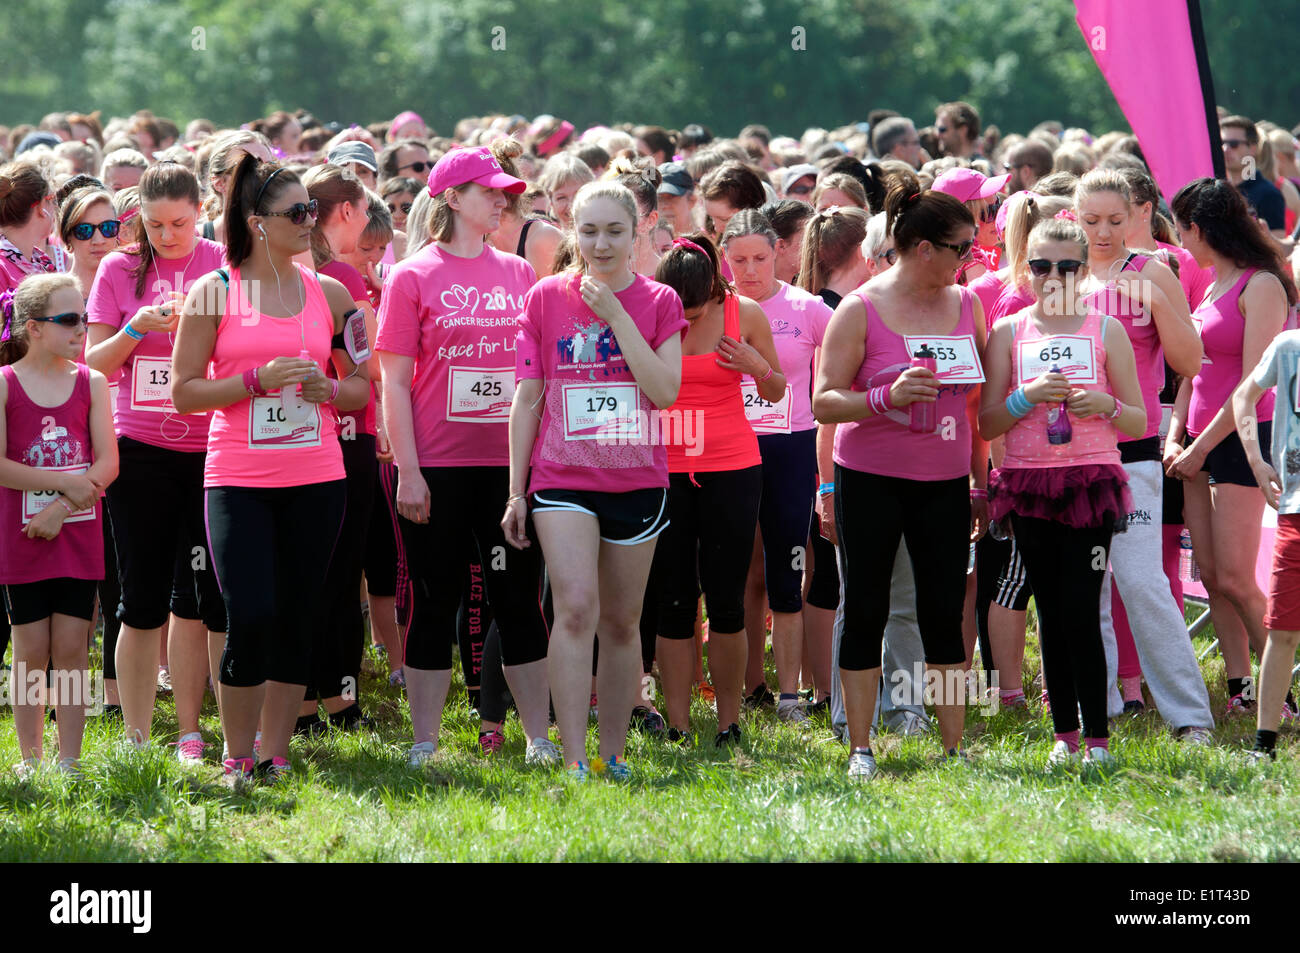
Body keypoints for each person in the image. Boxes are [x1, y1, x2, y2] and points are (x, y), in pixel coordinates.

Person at [171, 156, 368, 785]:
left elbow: (365, 385)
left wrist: (330, 393)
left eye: (311, 209)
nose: (310, 221)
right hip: (238, 480)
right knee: (249, 613)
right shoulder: (215, 290)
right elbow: (183, 392)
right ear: (257, 223)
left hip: (317, 477)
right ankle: (235, 752)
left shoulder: (331, 292)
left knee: (297, 612)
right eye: (297, 212)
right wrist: (251, 382)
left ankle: (276, 751)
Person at [376, 147, 554, 767]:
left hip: (506, 471)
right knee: (434, 600)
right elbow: (394, 381)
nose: (502, 199)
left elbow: (533, 379)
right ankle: (424, 740)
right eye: (489, 191)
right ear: (451, 198)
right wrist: (410, 471)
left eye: (506, 191)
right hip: (437, 469)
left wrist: (529, 472)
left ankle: (538, 739)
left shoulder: (518, 273)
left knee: (518, 600)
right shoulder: (412, 275)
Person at [504, 181, 685, 779]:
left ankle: (613, 754)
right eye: (589, 231)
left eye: (614, 231)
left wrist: (613, 314)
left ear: (638, 235)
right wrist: (515, 491)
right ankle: (575, 757)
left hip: (637, 480)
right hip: (561, 479)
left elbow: (664, 391)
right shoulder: (543, 299)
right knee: (576, 609)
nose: (601, 243)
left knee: (622, 622)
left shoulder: (660, 300)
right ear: (572, 233)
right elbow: (527, 396)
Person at [813, 184, 989, 779]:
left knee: (944, 616)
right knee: (865, 609)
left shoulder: (968, 305)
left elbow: (975, 406)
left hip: (943, 482)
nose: (969, 258)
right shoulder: (860, 308)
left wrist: (979, 482)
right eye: (959, 248)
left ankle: (953, 747)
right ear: (921, 248)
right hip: (870, 479)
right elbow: (823, 402)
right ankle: (861, 747)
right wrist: (885, 396)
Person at [980, 217, 1146, 766]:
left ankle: (1098, 738)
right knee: (1049, 609)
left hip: (1091, 480)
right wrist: (1026, 396)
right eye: (1043, 265)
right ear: (1027, 270)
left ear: (1084, 269)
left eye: (1069, 266)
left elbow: (1140, 419)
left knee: (1083, 605)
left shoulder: (1106, 330)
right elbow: (987, 423)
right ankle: (1064, 736)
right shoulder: (1008, 332)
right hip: (1027, 482)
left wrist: (1106, 407)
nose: (1056, 276)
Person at [85, 162, 228, 759]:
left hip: (211, 449)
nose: (168, 235)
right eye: (155, 224)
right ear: (136, 218)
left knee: (202, 598)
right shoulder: (119, 268)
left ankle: (200, 729)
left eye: (180, 223)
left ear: (200, 213)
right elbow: (90, 365)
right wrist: (137, 329)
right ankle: (138, 736)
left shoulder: (221, 264)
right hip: (138, 450)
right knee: (139, 599)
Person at [1069, 170, 1215, 738]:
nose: (1103, 233)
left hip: (1132, 450)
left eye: (1114, 219)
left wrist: (1155, 300)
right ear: (1073, 220)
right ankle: (1095, 707)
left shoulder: (1152, 270)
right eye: (1090, 221)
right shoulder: (1065, 274)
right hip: (1070, 453)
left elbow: (1190, 362)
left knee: (1140, 579)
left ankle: (1189, 715)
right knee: (1088, 584)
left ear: (1137, 213)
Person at [1168, 177, 1297, 717]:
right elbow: (1192, 374)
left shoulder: (1260, 285)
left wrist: (1200, 448)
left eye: (1178, 229)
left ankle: (1279, 697)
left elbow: (1250, 386)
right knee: (1213, 576)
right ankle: (1241, 691)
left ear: (1196, 229)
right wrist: (1176, 437)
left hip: (1246, 444)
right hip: (1196, 441)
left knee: (1238, 577)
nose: (1177, 239)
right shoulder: (1211, 283)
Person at [651, 234, 784, 744]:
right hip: (664, 469)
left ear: (713, 288)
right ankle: (678, 723)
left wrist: (757, 367)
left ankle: (730, 719)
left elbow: (778, 390)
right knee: (675, 601)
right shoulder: (650, 309)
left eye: (695, 307)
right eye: (677, 308)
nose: (685, 317)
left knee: (727, 601)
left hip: (732, 467)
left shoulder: (743, 313)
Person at [0, 274, 117, 776]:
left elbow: (108, 463)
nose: (81, 328)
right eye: (69, 320)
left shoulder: (91, 382)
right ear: (34, 328)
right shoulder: (5, 385)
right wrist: (60, 483)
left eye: (84, 318)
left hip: (76, 533)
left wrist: (62, 507)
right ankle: (31, 760)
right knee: (30, 647)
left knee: (73, 646)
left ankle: (70, 759)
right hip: (21, 538)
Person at [720, 210, 832, 722]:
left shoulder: (807, 308)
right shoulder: (711, 308)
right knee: (741, 571)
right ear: (725, 260)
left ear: (779, 254)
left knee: (789, 566)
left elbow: (842, 367)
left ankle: (790, 694)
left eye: (760, 258)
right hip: (726, 449)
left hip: (791, 445)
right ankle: (749, 686)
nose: (750, 270)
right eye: (738, 259)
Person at [296, 163, 375, 733]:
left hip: (334, 438)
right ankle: (328, 701)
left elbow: (360, 370)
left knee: (326, 575)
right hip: (320, 446)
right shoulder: (338, 276)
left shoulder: (336, 279)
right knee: (332, 577)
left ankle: (322, 700)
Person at [1233, 326, 1300, 760]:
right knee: (1282, 631)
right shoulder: (1288, 345)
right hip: (1294, 511)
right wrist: (1257, 462)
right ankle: (1264, 745)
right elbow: (1243, 397)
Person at [487, 138, 563, 279]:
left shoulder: (544, 237)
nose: (498, 200)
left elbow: (561, 297)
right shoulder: (475, 238)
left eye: (488, 190)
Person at [196, 130, 273, 245]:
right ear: (219, 183)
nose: (264, 175)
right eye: (250, 168)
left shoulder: (286, 236)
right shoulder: (194, 240)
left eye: (271, 167)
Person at [1220, 116, 1286, 239]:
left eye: (1233, 144)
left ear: (1252, 149)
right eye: (1222, 143)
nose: (1225, 149)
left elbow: (1278, 249)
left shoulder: (1269, 194)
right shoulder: (1217, 190)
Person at [0, 162, 56, 296]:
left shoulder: (42, 261)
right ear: (42, 206)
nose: (55, 207)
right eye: (52, 199)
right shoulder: (2, 269)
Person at [538, 153, 594, 232]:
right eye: (561, 198)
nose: (571, 206)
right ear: (551, 202)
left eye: (579, 194)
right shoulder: (548, 242)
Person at [657, 162, 697, 238]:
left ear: (692, 200)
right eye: (659, 198)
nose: (665, 205)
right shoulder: (644, 245)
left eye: (671, 197)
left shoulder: (707, 244)